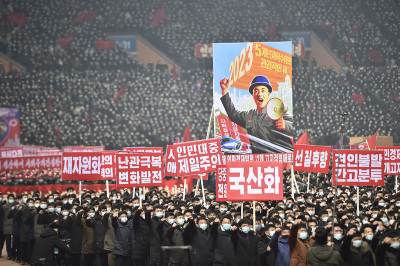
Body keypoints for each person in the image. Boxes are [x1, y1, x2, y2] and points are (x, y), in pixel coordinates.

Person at [219, 76, 294, 153]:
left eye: (263, 90)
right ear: (253, 95)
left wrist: (286, 125)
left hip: (280, 161)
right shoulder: (250, 116)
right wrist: (224, 90)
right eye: (256, 91)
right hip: (259, 162)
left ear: (268, 94)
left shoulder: (277, 110)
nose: (259, 94)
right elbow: (233, 115)